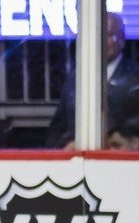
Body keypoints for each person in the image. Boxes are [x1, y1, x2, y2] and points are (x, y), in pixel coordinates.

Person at [47, 12, 139, 149]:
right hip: (79, 162)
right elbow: (58, 128)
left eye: (107, 34)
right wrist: (64, 146)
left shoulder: (136, 77)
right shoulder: (75, 78)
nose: (100, 40)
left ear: (121, 39)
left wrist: (132, 144)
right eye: (96, 35)